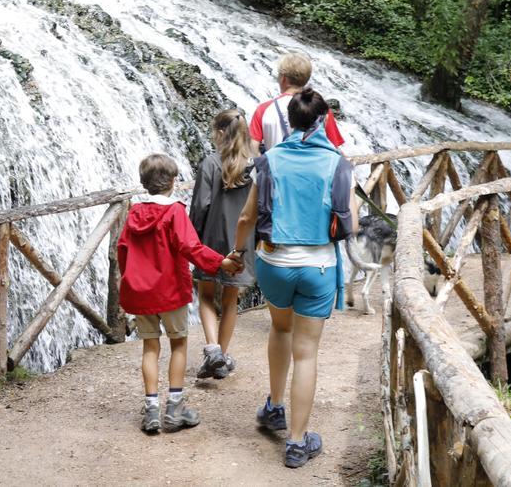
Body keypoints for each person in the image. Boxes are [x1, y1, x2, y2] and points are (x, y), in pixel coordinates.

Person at [234, 88, 354, 468]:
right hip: (318, 265)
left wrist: (238, 253)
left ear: (290, 120)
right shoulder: (337, 162)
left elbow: (247, 218)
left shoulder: (269, 160)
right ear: (323, 121)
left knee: (280, 329)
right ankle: (298, 442)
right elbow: (348, 217)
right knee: (307, 353)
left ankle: (275, 408)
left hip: (274, 262)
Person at [118, 153, 244, 434]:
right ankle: (174, 408)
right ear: (173, 182)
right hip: (170, 291)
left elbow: (122, 251)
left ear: (144, 183)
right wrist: (221, 262)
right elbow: (191, 247)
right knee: (178, 345)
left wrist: (128, 285)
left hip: (140, 294)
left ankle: (151, 411)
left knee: (150, 348)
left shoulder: (134, 214)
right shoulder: (174, 211)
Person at [189, 109, 259, 380]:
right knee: (230, 299)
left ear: (219, 134)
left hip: (211, 238)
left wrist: (191, 240)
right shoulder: (254, 165)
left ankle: (213, 350)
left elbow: (200, 206)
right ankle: (223, 354)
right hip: (242, 241)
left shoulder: (210, 163)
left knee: (206, 294)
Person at [250, 53, 345, 153]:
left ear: (283, 78)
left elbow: (253, 149)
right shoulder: (320, 108)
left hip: (275, 166)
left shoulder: (263, 109)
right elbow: (333, 148)